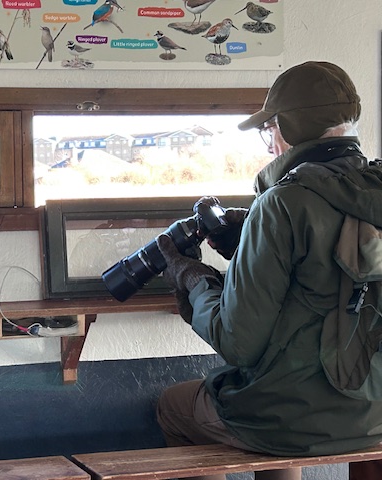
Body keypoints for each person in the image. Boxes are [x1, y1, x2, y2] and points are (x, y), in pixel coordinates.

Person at [155, 60, 382, 480]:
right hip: (376, 408)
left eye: (270, 129)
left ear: (286, 129)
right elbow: (331, 280)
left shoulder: (282, 203)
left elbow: (237, 343)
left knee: (176, 406)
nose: (270, 141)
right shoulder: (372, 187)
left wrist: (193, 279)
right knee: (286, 402)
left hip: (294, 419)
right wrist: (247, 243)